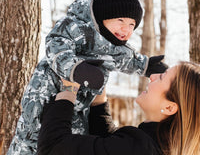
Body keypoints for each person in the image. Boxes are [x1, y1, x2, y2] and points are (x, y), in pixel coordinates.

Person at [7, 0, 167, 154]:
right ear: (103, 17)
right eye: (121, 21)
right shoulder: (76, 27)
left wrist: (146, 66)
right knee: (32, 138)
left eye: (132, 24)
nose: (126, 29)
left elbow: (127, 59)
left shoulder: (115, 44)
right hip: (48, 92)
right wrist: (76, 69)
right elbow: (56, 46)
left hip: (80, 104)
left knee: (74, 139)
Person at [37, 61, 200, 155]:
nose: (152, 76)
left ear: (170, 107)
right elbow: (107, 146)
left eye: (162, 77)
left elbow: (53, 147)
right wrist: (100, 94)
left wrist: (68, 90)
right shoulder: (157, 147)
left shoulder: (141, 149)